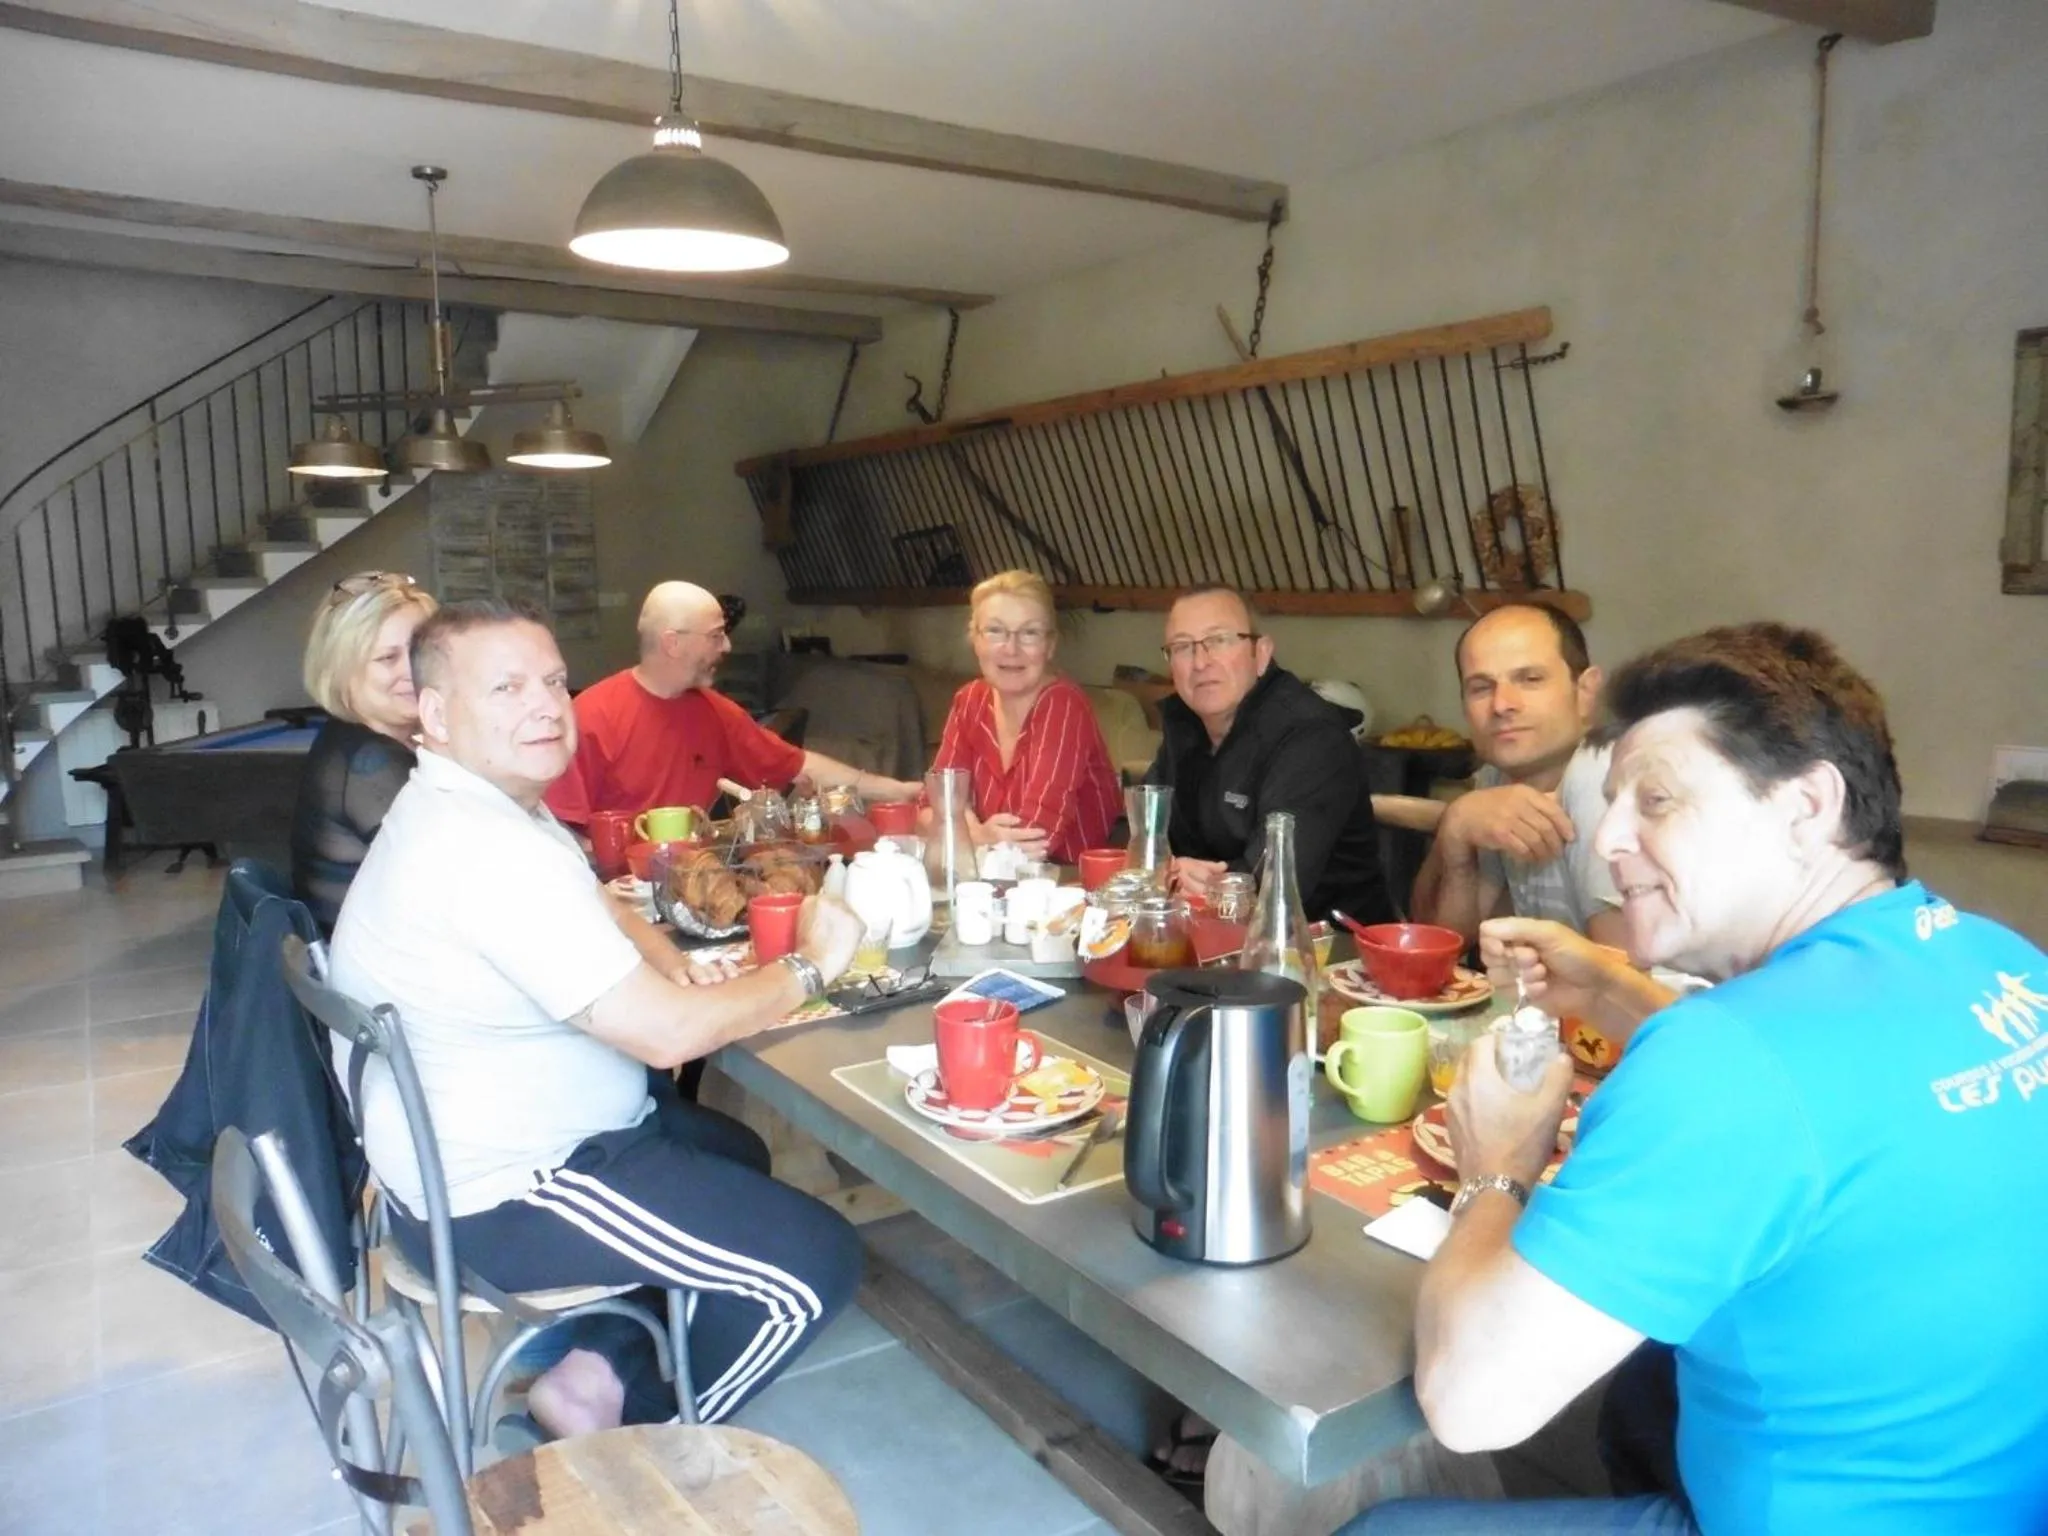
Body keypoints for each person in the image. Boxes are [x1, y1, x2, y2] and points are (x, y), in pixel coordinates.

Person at [1349, 622, 2048, 1534]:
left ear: (1806, 806)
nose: (1611, 842)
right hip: (1998, 1493)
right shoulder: (2000, 959)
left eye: (1659, 801)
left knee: (1383, 1528)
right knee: (1643, 1384)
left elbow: (1471, 1402)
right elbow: (1811, 1099)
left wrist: (1497, 1167)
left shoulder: (1727, 1061)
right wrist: (1609, 990)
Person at [331, 598, 866, 1436]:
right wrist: (808, 966)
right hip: (507, 1192)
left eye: (553, 681)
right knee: (814, 1265)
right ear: (434, 714)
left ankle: (592, 1372)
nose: (546, 705)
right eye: (506, 688)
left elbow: (593, 912)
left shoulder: (487, 805)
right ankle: (641, 1444)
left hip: (492, 1146)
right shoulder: (481, 848)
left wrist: (675, 964)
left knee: (733, 1150)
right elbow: (667, 1036)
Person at [545, 580, 920, 828]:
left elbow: (798, 765)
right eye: (716, 636)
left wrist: (897, 791)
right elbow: (556, 829)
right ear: (673, 643)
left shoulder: (713, 711)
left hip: (694, 884)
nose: (726, 647)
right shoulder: (592, 716)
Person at [1145, 586, 1391, 922]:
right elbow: (1147, 840)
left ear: (1261, 654)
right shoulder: (1184, 724)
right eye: (1183, 647)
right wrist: (1171, 871)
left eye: (1219, 640)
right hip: (1211, 936)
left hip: (1330, 950)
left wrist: (1179, 878)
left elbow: (1271, 886)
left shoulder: (1310, 737)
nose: (1200, 662)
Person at [1412, 603, 1628, 949]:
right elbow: (1440, 946)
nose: (1502, 705)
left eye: (1530, 680)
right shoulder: (1497, 777)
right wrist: (1455, 828)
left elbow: (1627, 981)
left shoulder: (1602, 779)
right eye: (1481, 687)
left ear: (1586, 691)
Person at [929, 569, 1120, 864]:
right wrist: (978, 834)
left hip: (1067, 892)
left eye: (1029, 633)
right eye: (995, 631)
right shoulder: (969, 701)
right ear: (975, 639)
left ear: (1050, 645)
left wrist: (962, 829)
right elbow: (927, 810)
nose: (1011, 649)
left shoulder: (1064, 705)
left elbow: (1035, 838)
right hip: (988, 888)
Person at [290, 571, 438, 934]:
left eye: (420, 652)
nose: (412, 671)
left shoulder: (354, 738)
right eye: (387, 658)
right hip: (384, 978)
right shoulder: (370, 763)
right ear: (344, 669)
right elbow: (456, 880)